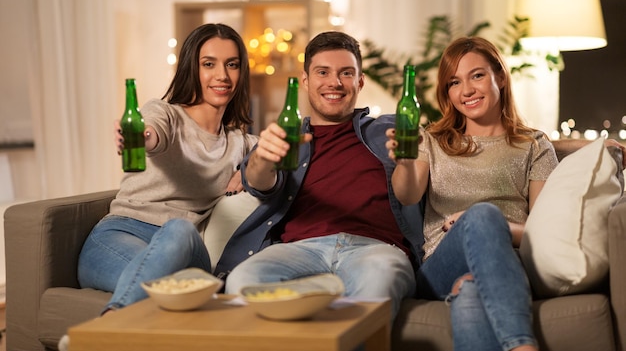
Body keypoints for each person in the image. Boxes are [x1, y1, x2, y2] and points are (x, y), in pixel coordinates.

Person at [385, 35, 625, 351]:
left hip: (507, 259)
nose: (466, 90)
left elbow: (538, 232)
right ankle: (523, 347)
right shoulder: (433, 140)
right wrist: (404, 163)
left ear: (499, 75)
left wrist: (485, 223)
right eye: (454, 82)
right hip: (442, 263)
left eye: (477, 75)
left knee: (470, 288)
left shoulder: (533, 146)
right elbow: (407, 196)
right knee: (482, 217)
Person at [220, 31, 423, 319]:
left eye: (346, 73)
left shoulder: (389, 129)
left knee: (381, 279)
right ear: (305, 81)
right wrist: (263, 158)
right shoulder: (286, 135)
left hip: (374, 249)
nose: (335, 82)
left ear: (360, 81)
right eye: (322, 72)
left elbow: (411, 192)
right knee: (242, 281)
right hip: (300, 249)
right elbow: (258, 183)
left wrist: (406, 162)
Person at [77, 23, 257, 315]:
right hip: (118, 237)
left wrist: (249, 167)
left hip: (185, 247)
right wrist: (141, 136)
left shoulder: (239, 143)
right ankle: (113, 327)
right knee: (166, 290)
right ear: (191, 68)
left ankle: (104, 332)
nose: (222, 75)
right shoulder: (164, 114)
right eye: (208, 64)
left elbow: (282, 148)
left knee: (180, 229)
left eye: (232, 65)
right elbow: (152, 132)